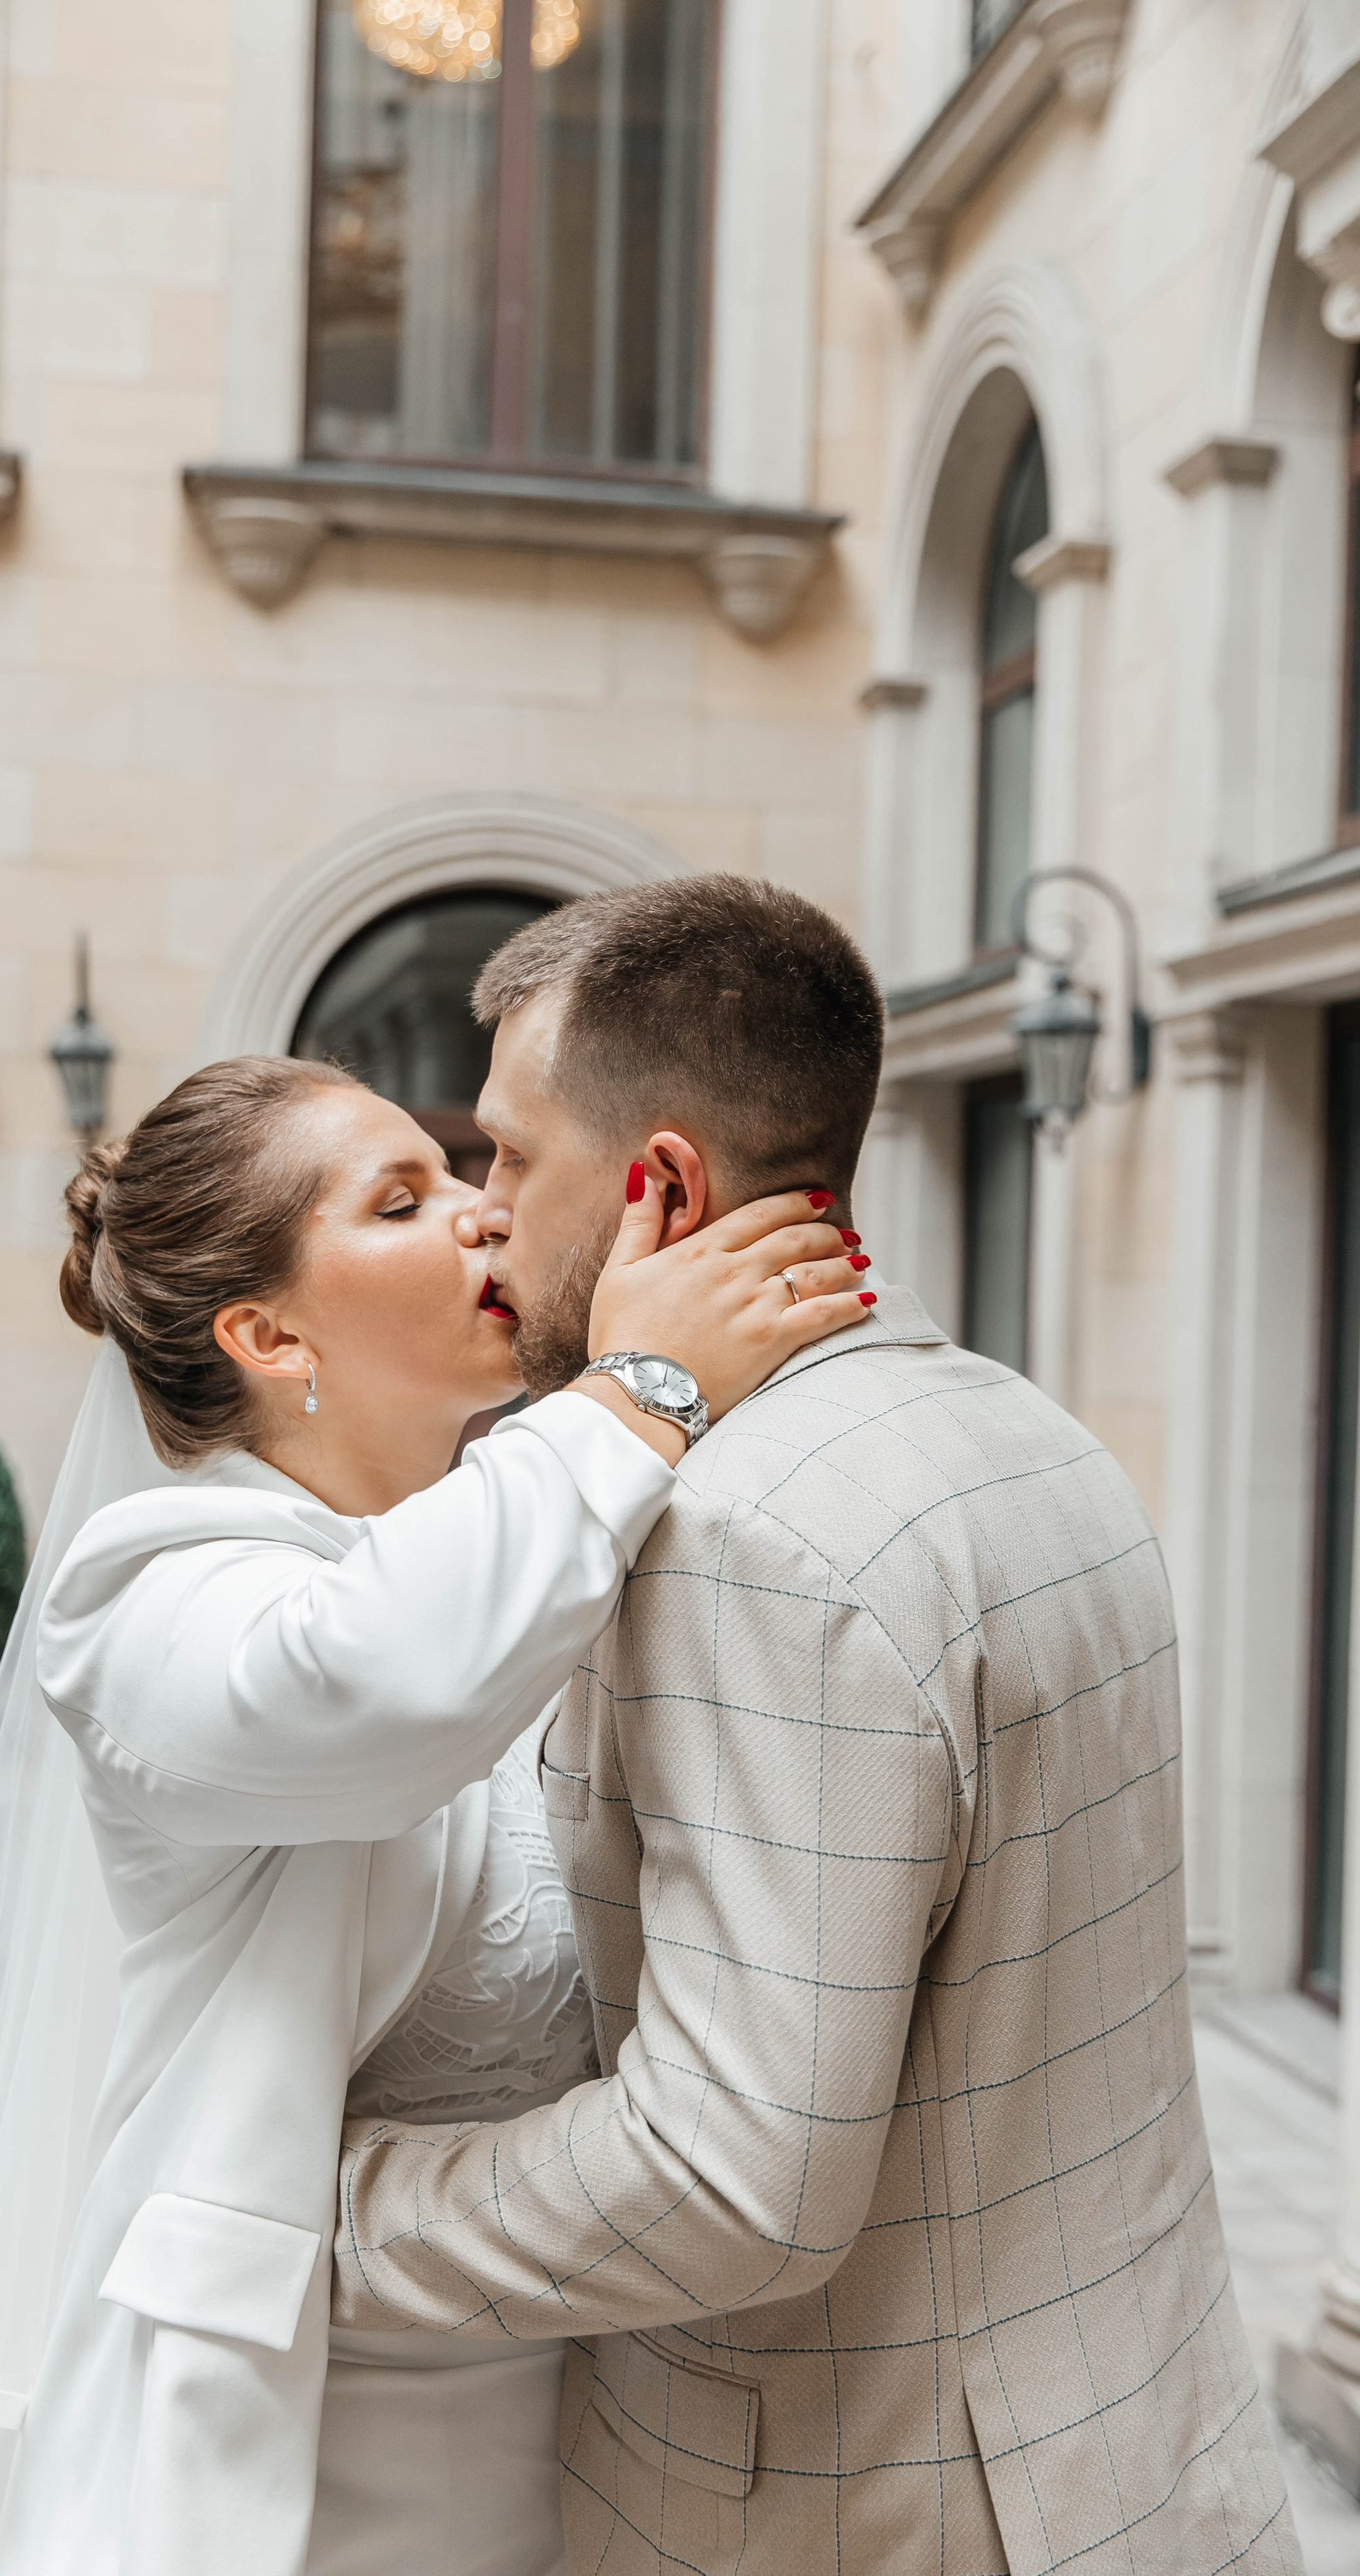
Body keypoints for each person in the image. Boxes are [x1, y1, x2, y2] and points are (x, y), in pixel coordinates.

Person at [0, 1047, 868, 2576]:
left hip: (574, 2436)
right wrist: (645, 1385)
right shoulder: (142, 1598)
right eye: (401, 1200)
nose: (481, 1217)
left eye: (466, 1174)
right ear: (269, 1332)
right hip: (278, 2461)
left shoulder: (545, 1551)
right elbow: (384, 1684)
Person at [331, 875, 1303, 2576]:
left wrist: (302, 2223)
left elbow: (728, 2179)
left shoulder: (741, 1537)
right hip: (1138, 2455)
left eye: (506, 1155)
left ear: (661, 1188)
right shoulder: (1031, 1430)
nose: (486, 1213)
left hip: (861, 2508)